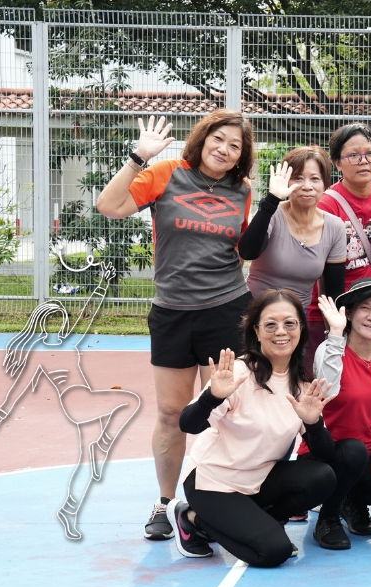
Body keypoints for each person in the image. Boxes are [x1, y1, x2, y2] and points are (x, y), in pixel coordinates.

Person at [95, 111, 256, 541]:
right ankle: (164, 503)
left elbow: (239, 251)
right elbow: (109, 206)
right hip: (171, 312)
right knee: (171, 413)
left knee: (222, 411)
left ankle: (210, 502)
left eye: (234, 145)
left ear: (242, 155)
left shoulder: (243, 192)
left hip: (225, 311)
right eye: (218, 139)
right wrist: (137, 158)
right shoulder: (166, 173)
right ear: (202, 139)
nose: (224, 149)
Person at [167, 289, 337, 567]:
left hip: (259, 480)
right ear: (256, 332)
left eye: (289, 323)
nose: (280, 331)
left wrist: (313, 421)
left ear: (301, 330)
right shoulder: (237, 373)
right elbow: (188, 423)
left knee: (322, 476)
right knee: (273, 552)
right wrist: (213, 396)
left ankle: (256, 521)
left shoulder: (302, 384)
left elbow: (324, 453)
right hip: (213, 482)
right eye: (270, 324)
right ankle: (191, 517)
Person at [0, 262, 139, 541]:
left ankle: (70, 510)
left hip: (82, 403)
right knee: (129, 401)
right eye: (54, 321)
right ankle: (105, 440)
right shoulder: (42, 352)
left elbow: (89, 314)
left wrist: (102, 282)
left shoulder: (67, 342)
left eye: (62, 320)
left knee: (87, 466)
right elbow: (18, 389)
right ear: (43, 327)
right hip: (77, 400)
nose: (61, 324)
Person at [300, 279, 371, 550]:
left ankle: (351, 500)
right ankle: (327, 518)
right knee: (351, 450)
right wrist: (336, 336)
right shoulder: (329, 349)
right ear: (349, 313)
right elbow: (328, 391)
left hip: (364, 455)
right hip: (323, 453)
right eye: (365, 308)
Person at [305, 123, 371, 374]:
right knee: (323, 384)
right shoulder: (325, 204)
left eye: (370, 154)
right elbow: (319, 273)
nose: (364, 161)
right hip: (327, 315)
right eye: (353, 155)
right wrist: (335, 322)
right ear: (337, 163)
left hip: (369, 314)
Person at [240, 146, 347, 307]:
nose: (307, 186)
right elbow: (248, 251)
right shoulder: (272, 213)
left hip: (296, 319)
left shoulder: (335, 227)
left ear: (325, 184)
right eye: (297, 178)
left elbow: (334, 289)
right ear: (286, 181)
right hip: (256, 311)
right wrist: (272, 199)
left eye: (315, 179)